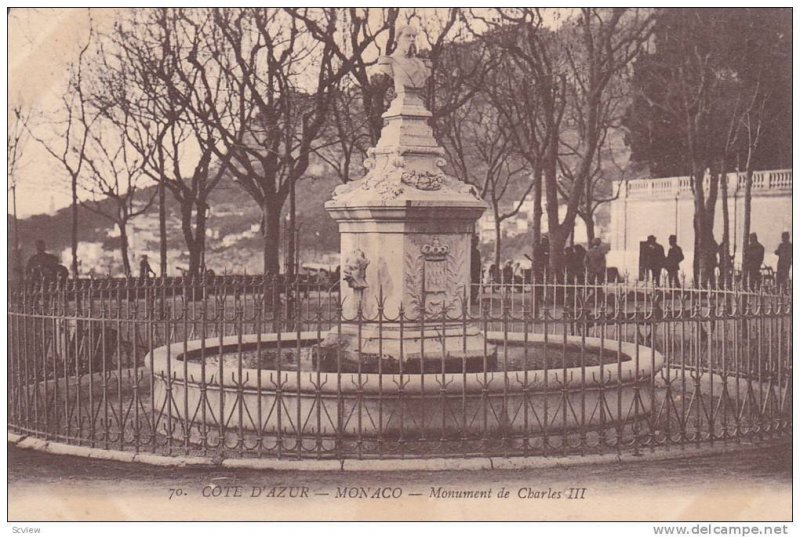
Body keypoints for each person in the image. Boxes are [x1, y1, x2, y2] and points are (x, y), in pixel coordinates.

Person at [470, 234, 482, 304]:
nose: (476, 243)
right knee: (473, 286)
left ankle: (473, 299)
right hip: (472, 271)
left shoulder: (477, 251)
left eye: (477, 241)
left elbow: (478, 263)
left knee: (475, 286)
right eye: (474, 241)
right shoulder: (470, 251)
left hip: (476, 272)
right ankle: (471, 300)